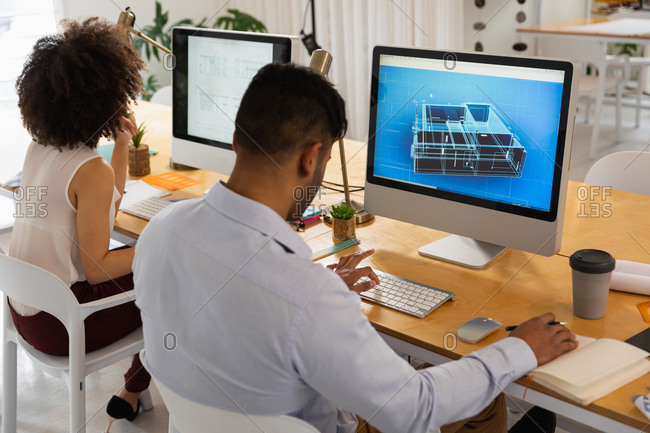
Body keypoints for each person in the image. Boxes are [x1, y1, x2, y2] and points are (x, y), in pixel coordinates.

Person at [133, 63, 577, 433]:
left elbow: (236, 310)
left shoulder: (160, 232)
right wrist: (522, 348)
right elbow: (414, 408)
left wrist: (320, 294)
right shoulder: (302, 295)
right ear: (311, 159)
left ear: (236, 141)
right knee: (482, 401)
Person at [10, 17, 150, 431]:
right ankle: (134, 389)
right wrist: (153, 246)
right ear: (110, 94)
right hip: (61, 324)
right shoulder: (90, 170)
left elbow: (101, 206)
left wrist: (121, 146)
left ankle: (134, 393)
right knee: (168, 275)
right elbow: (97, 268)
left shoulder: (40, 148)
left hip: (24, 312)